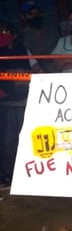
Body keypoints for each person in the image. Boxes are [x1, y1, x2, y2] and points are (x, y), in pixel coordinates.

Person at [0, 21, 38, 191]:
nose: (5, 34)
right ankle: (7, 176)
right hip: (6, 104)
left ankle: (29, 174)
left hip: (24, 102)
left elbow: (36, 70)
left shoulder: (23, 50)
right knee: (7, 143)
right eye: (2, 31)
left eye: (7, 30)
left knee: (28, 141)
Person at [21, 0, 59, 73]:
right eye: (31, 14)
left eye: (38, 13)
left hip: (55, 74)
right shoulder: (20, 37)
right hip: (33, 75)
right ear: (23, 17)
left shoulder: (52, 33)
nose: (35, 16)